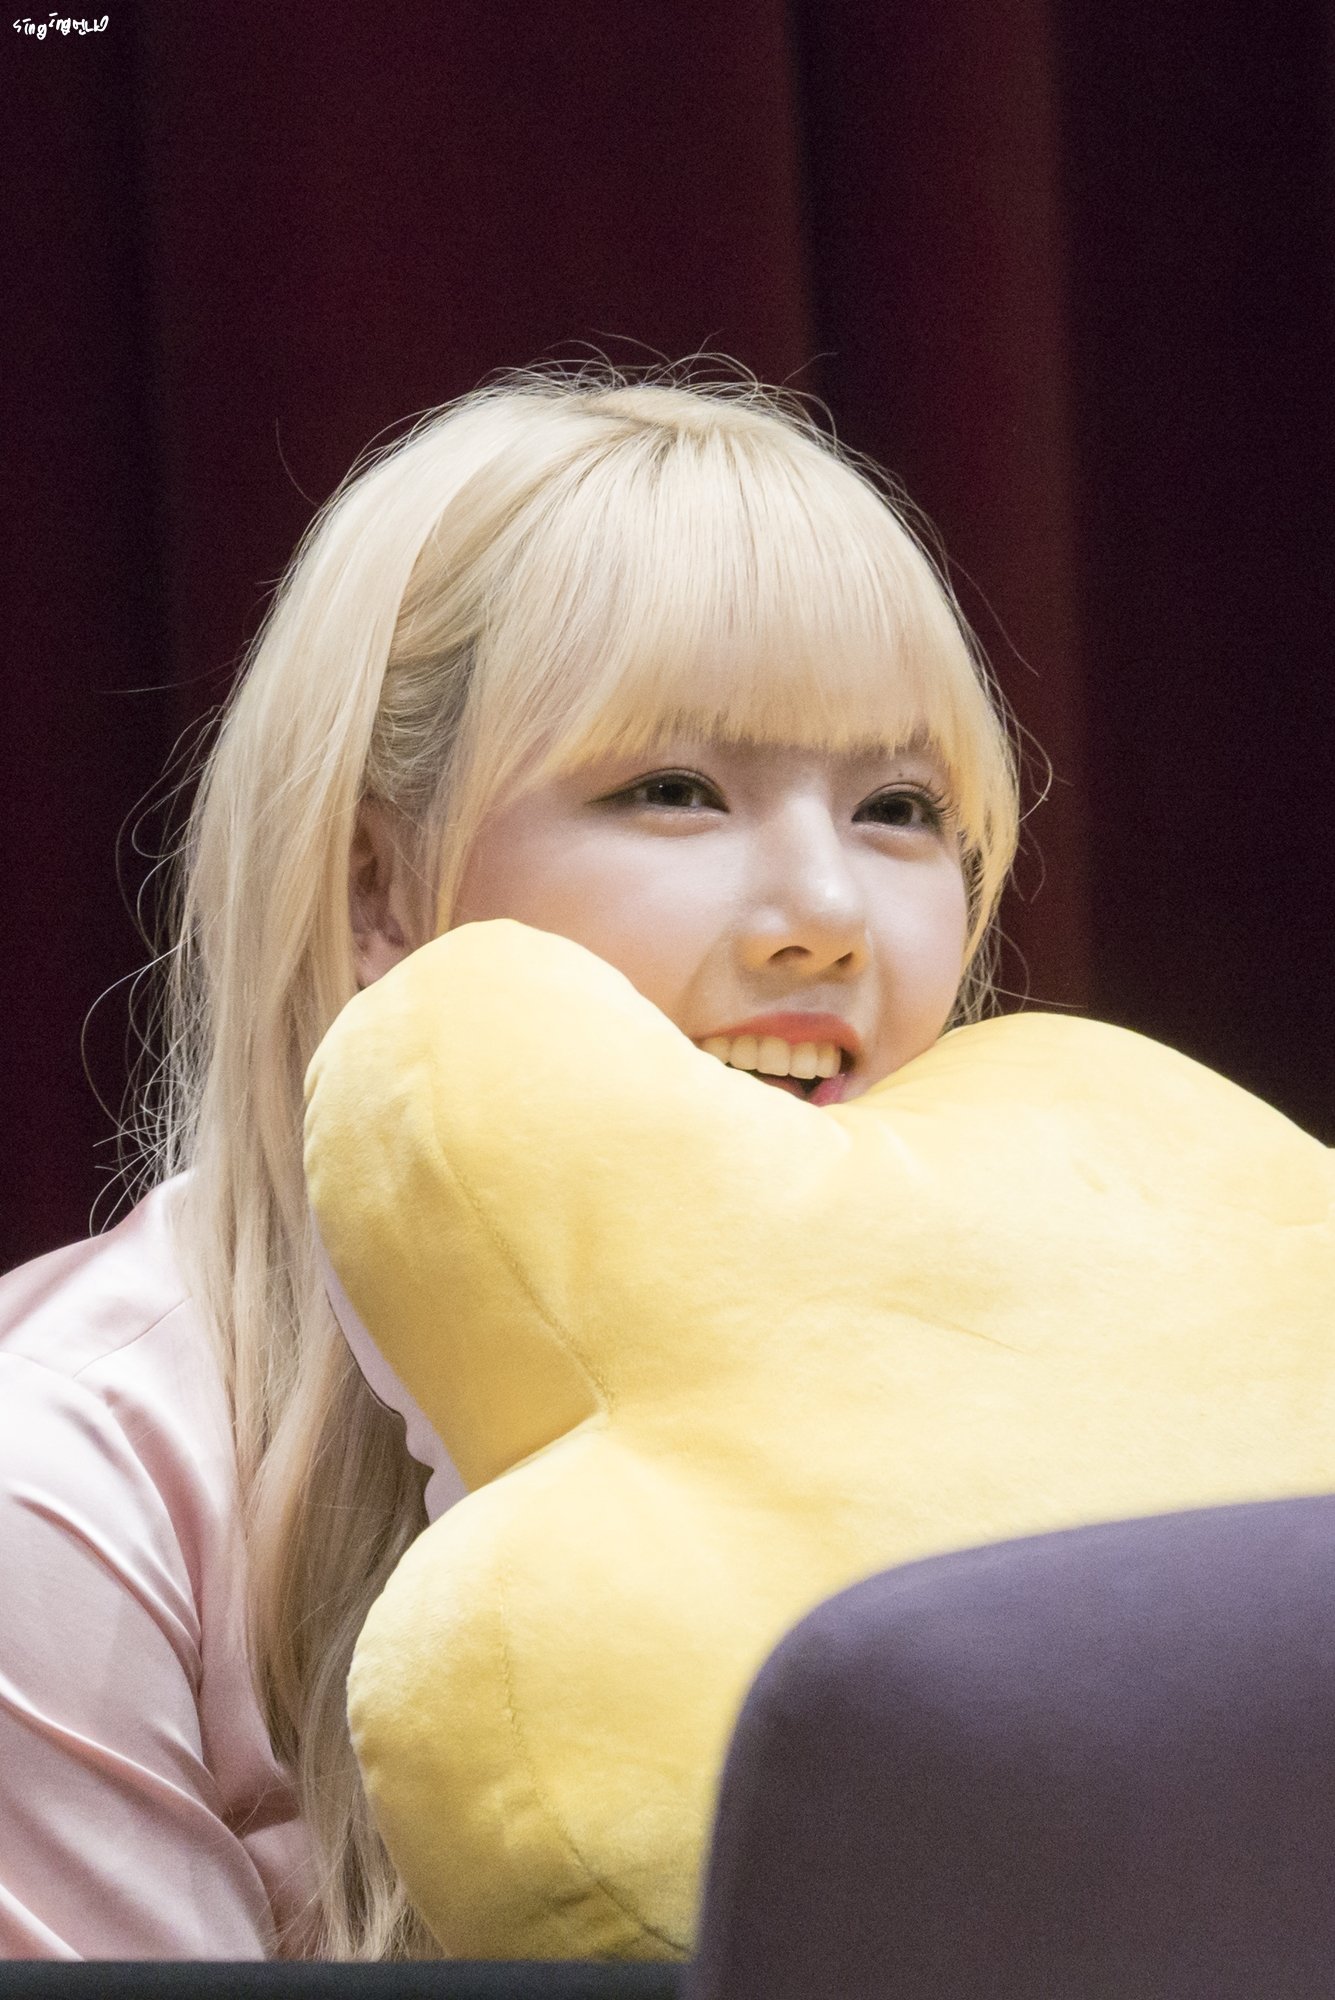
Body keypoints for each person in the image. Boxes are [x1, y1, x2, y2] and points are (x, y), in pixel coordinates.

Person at [0, 364, 1021, 1960]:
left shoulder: (1034, 1381)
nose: (827, 915)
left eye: (898, 807)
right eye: (674, 791)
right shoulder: (62, 1479)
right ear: (378, 886)